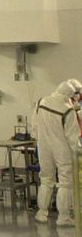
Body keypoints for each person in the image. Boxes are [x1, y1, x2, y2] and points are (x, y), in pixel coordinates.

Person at [33, 79, 81, 227]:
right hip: (62, 149)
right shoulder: (68, 110)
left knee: (46, 179)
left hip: (43, 147)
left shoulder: (41, 102)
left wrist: (38, 139)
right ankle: (64, 217)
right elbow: (73, 139)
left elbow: (34, 127)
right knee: (65, 182)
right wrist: (79, 151)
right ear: (71, 95)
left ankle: (41, 213)